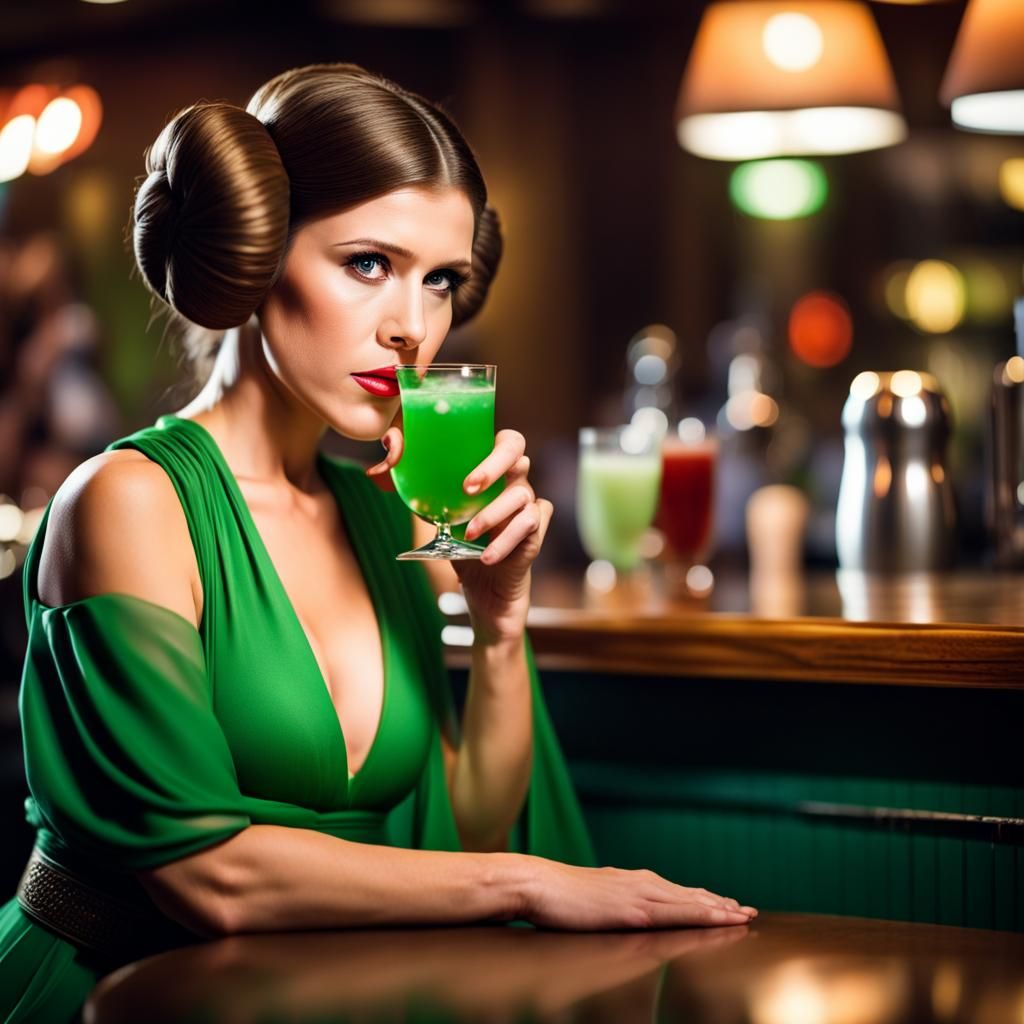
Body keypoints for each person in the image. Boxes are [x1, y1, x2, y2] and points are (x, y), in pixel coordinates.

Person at [0, 63, 756, 1022]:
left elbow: (463, 822)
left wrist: (500, 622)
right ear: (256, 252)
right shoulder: (129, 503)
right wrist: (527, 885)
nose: (412, 327)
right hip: (115, 995)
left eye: (440, 281)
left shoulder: (384, 508)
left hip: (315, 997)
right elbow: (210, 879)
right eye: (368, 263)